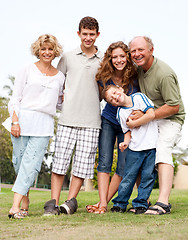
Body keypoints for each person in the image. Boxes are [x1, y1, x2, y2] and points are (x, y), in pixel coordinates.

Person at [43, 16, 103, 215]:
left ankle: (69, 203)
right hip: (68, 118)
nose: (88, 38)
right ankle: (53, 202)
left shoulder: (103, 60)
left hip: (92, 121)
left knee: (82, 165)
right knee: (60, 162)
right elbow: (57, 85)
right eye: (84, 34)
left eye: (91, 34)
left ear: (97, 35)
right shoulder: (67, 57)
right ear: (79, 34)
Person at [4, 34, 65, 219]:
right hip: (22, 121)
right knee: (19, 164)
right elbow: (16, 97)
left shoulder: (60, 77)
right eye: (43, 49)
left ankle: (14, 207)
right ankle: (25, 201)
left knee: (30, 166)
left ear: (55, 52)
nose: (47, 52)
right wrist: (15, 121)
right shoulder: (27, 69)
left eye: (50, 49)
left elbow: (60, 103)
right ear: (37, 51)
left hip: (44, 125)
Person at [129, 36, 185, 215]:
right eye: (133, 51)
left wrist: (147, 115)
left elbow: (174, 106)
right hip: (152, 118)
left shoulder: (164, 73)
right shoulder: (138, 71)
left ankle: (163, 203)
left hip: (171, 118)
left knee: (162, 149)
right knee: (138, 150)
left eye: (141, 50)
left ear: (151, 50)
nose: (137, 54)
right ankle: (143, 200)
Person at [86, 41, 139, 214]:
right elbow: (98, 98)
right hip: (108, 120)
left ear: (127, 57)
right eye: (114, 57)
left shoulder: (135, 76)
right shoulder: (104, 76)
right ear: (110, 59)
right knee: (104, 162)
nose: (118, 60)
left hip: (127, 125)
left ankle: (102, 204)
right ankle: (102, 204)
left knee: (123, 167)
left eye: (122, 56)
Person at [103, 84, 158, 214]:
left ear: (120, 89)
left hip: (151, 146)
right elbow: (127, 131)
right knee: (128, 177)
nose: (115, 97)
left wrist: (134, 123)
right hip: (134, 148)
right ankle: (120, 203)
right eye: (112, 99)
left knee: (147, 176)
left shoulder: (139, 97)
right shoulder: (120, 113)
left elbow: (151, 114)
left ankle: (141, 203)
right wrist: (125, 143)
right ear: (113, 104)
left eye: (115, 92)